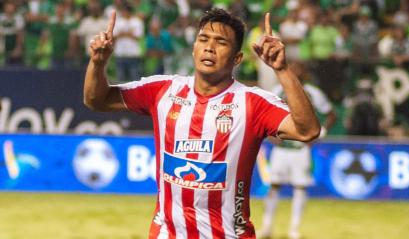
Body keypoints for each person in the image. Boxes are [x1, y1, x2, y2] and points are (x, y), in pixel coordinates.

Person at [84, 8, 320, 238]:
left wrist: (282, 70)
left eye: (221, 42)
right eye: (203, 39)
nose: (209, 47)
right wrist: (98, 62)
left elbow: (308, 130)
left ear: (237, 58)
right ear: (194, 48)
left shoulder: (253, 103)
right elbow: (97, 100)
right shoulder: (162, 90)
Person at [258, 61, 336, 239]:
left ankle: (294, 229)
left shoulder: (313, 92)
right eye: (292, 67)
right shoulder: (277, 90)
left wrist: (320, 134)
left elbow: (331, 114)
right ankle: (267, 227)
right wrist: (269, 135)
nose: (295, 71)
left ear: (305, 72)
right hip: (282, 148)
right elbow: (263, 112)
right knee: (274, 185)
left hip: (301, 149)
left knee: (300, 186)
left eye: (299, 68)